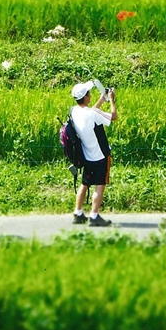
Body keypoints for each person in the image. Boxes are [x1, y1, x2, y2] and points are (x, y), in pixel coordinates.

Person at [70, 81, 118, 227]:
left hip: (86, 155)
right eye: (89, 93)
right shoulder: (92, 114)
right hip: (100, 156)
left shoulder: (74, 111)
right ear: (85, 97)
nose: (90, 95)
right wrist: (112, 101)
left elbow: (92, 112)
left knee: (85, 184)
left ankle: (78, 213)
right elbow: (114, 116)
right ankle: (94, 216)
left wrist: (102, 99)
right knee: (100, 185)